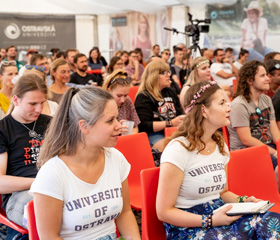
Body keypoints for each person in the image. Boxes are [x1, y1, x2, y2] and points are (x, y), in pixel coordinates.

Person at [156, 80, 280, 239]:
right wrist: (210, 220)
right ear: (204, 110)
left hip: (219, 213)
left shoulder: (220, 145)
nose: (229, 106)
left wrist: (244, 201)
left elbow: (223, 192)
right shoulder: (178, 149)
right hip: (189, 225)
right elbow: (164, 212)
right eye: (222, 103)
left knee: (273, 222)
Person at [29, 87, 141, 240]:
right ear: (84, 126)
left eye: (116, 118)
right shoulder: (53, 173)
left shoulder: (116, 158)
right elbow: (49, 237)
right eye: (110, 120)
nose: (119, 125)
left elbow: (125, 213)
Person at [0, 74, 51, 238]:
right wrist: (40, 182)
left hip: (54, 186)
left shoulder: (50, 123)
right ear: (15, 100)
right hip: (20, 193)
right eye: (32, 104)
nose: (39, 109)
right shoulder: (3, 129)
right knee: (46, 212)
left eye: (42, 103)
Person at [227, 60, 280, 171]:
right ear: (250, 80)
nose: (267, 79)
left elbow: (274, 129)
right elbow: (246, 140)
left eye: (266, 75)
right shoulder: (239, 105)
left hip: (266, 147)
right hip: (246, 152)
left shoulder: (266, 99)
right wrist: (275, 153)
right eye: (262, 76)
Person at [135, 61, 183, 151]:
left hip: (173, 131)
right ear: (154, 76)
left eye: (168, 72)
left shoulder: (170, 91)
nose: (168, 75)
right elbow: (143, 125)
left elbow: (179, 112)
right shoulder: (143, 96)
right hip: (154, 134)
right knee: (172, 148)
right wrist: (170, 123)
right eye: (164, 73)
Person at [103, 69, 140, 134]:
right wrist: (115, 132)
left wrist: (129, 137)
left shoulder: (127, 101)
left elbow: (135, 127)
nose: (123, 100)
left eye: (125, 95)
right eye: (119, 96)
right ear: (109, 91)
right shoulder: (100, 105)